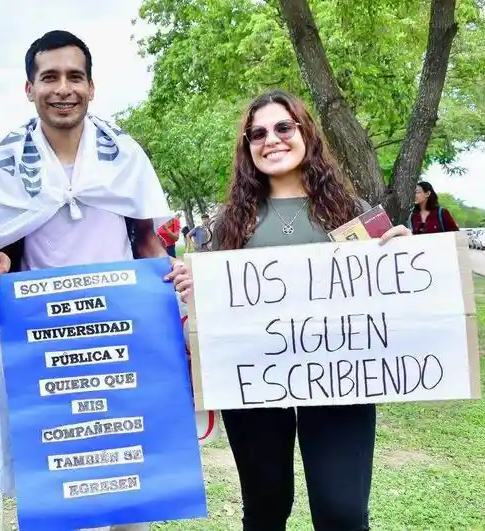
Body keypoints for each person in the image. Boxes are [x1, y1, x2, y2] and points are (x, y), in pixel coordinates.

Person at [167, 89, 411, 531]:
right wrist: (190, 286)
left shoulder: (354, 215)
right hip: (253, 384)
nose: (271, 140)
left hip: (341, 382)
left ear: (305, 133)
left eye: (283, 127)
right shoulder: (227, 226)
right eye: (257, 133)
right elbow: (211, 308)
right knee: (265, 508)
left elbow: (389, 297)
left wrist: (404, 259)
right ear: (247, 147)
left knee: (342, 512)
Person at [0, 30, 174, 531]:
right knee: (65, 504)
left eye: (74, 77)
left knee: (131, 501)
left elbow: (150, 241)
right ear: (29, 88)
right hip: (47, 350)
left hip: (122, 339)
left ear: (91, 86)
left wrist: (172, 297)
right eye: (50, 77)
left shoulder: (126, 157)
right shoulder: (4, 165)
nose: (63, 88)